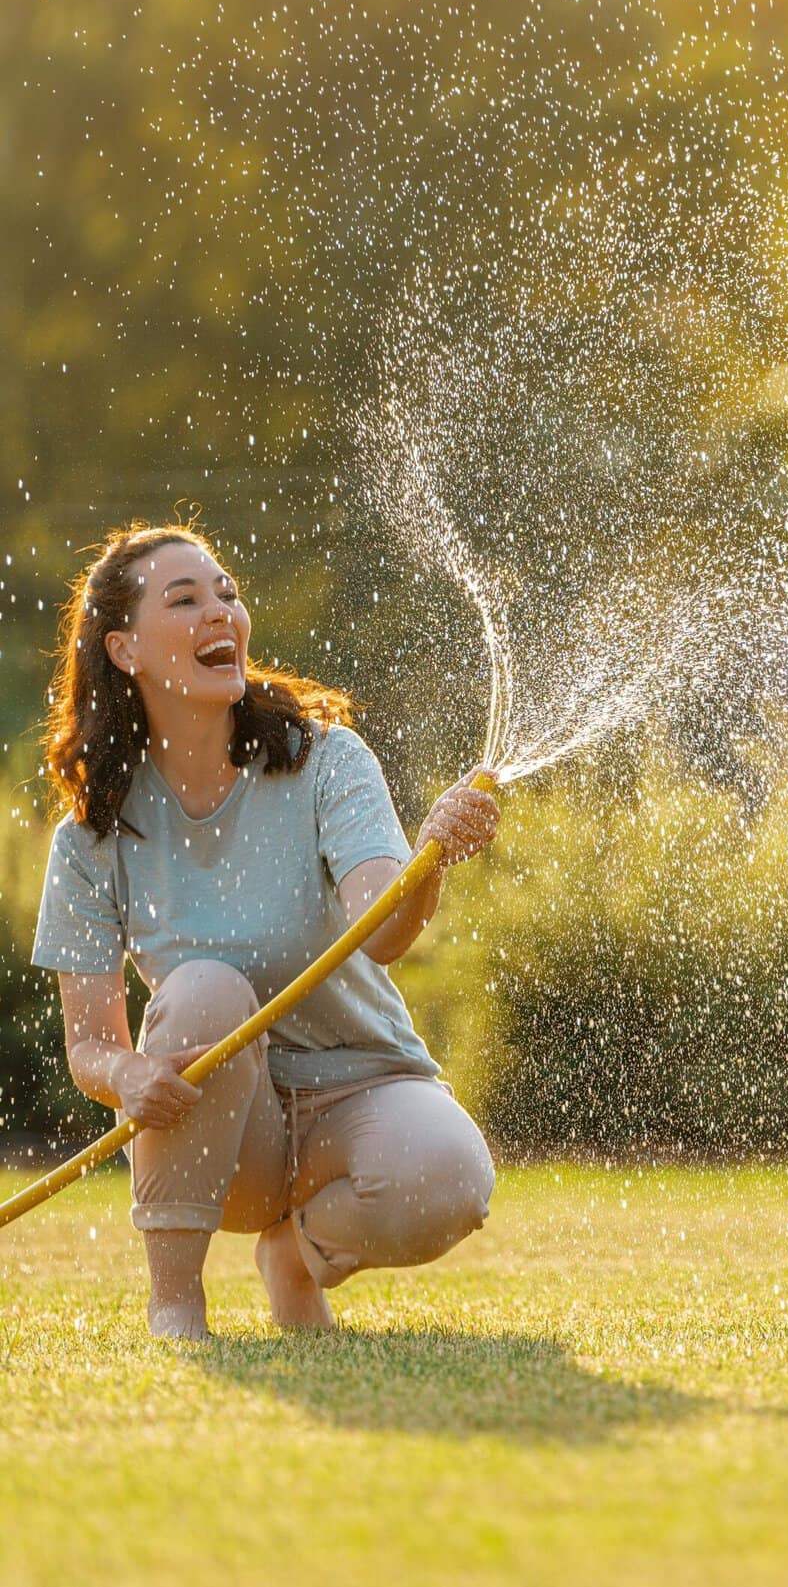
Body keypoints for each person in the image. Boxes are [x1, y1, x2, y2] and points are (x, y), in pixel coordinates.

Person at [32, 523, 503, 1339]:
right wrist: (130, 1076)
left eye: (227, 593)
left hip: (361, 1086)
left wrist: (427, 863)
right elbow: (88, 1048)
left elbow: (382, 934)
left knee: (454, 1177)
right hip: (225, 1137)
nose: (221, 612)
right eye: (185, 599)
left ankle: (296, 1256)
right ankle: (176, 1303)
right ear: (124, 649)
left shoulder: (327, 758)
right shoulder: (91, 836)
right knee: (205, 989)